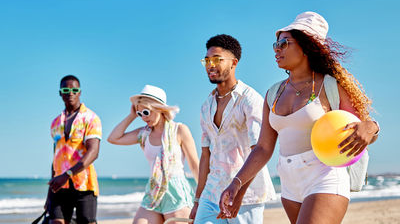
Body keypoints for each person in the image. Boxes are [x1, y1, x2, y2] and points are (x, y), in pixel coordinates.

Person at [219, 12, 380, 224]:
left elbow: (363, 129)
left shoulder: (330, 85)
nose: (277, 49)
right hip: (289, 183)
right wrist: (237, 184)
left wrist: (371, 127)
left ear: (306, 46)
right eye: (275, 44)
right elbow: (263, 148)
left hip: (325, 176)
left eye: (284, 43)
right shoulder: (273, 93)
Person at [190, 34, 276, 224]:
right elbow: (205, 156)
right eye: (207, 60)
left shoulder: (250, 99)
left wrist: (239, 193)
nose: (210, 65)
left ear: (234, 62)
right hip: (211, 193)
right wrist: (197, 200)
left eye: (217, 60)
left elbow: (259, 149)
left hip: (247, 194)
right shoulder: (206, 106)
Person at [107, 85, 200, 224]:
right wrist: (131, 116)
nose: (143, 118)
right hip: (153, 193)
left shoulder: (179, 130)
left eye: (146, 112)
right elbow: (113, 138)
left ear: (159, 108)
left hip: (176, 194)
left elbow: (195, 166)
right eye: (140, 114)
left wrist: (201, 199)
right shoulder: (143, 134)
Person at [45, 75, 102, 224]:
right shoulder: (55, 123)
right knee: (55, 222)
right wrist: (49, 195)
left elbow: (93, 152)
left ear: (80, 92)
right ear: (60, 93)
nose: (70, 93)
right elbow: (55, 158)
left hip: (84, 184)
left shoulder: (91, 118)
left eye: (74, 90)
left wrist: (67, 174)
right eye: (66, 89)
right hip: (60, 186)